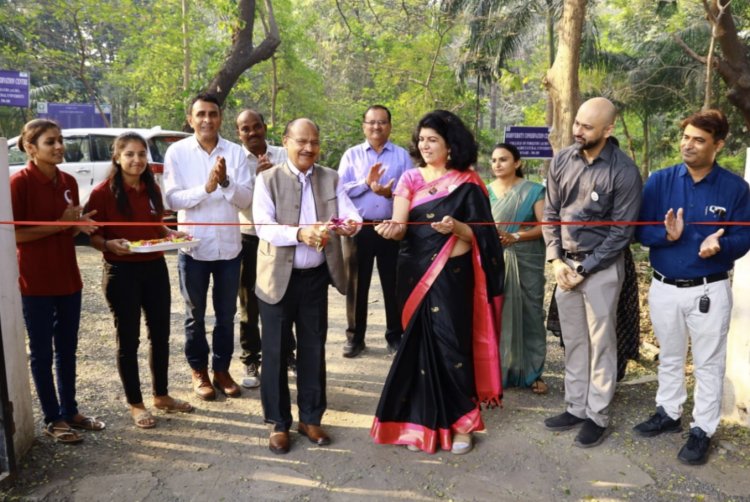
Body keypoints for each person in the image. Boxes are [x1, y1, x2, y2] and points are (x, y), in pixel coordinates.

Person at [371, 110, 504, 455]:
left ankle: (463, 424)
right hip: (415, 275)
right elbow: (401, 226)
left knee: (452, 346)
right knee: (416, 348)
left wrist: (456, 227)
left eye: (433, 140)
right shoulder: (410, 179)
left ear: (450, 145)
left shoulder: (468, 183)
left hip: (454, 277)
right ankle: (417, 423)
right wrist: (390, 230)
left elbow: (485, 236)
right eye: (422, 139)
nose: (425, 145)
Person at [633, 109, 750, 465]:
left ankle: (702, 430)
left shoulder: (735, 189)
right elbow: (641, 231)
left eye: (699, 140)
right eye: (686, 137)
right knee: (669, 356)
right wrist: (665, 236)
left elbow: (744, 236)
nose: (689, 144)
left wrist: (722, 246)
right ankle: (668, 414)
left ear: (718, 144)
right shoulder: (660, 181)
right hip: (664, 286)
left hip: (708, 289)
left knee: (708, 363)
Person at [253, 118, 361, 454]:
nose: (308, 148)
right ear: (285, 142)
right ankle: (278, 423)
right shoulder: (267, 179)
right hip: (276, 280)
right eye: (301, 141)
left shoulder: (331, 177)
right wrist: (300, 233)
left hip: (316, 279)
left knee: (313, 350)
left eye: (314, 142)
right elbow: (264, 227)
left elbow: (352, 216)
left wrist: (348, 227)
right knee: (274, 352)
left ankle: (311, 418)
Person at [541, 97, 642, 448]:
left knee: (601, 343)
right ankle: (575, 406)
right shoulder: (562, 160)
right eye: (577, 123)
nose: (577, 130)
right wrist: (556, 261)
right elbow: (551, 213)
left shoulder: (624, 171)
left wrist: (584, 267)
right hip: (564, 265)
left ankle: (597, 414)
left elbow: (622, 232)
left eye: (587, 126)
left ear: (607, 130)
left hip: (601, 268)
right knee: (574, 340)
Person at [86, 132, 195, 429]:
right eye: (130, 154)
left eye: (142, 154)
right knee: (128, 339)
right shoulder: (102, 193)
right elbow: (92, 234)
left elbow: (155, 225)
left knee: (160, 335)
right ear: (117, 157)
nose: (137, 160)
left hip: (154, 267)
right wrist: (108, 245)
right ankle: (136, 404)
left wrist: (169, 234)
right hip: (121, 272)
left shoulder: (151, 188)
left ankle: (161, 395)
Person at [10, 119, 104, 444]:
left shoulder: (67, 180)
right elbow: (17, 235)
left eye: (60, 140)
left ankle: (70, 411)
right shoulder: (18, 183)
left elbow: (66, 226)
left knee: (67, 348)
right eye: (51, 142)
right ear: (30, 148)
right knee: (41, 352)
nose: (59, 146)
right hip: (34, 281)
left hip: (68, 278)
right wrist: (61, 225)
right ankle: (53, 419)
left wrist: (78, 226)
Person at [163, 93, 252, 401]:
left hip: (229, 249)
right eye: (200, 114)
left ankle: (222, 369)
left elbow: (246, 199)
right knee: (194, 315)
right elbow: (171, 199)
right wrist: (207, 188)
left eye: (213, 114)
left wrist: (226, 182)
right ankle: (198, 370)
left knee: (226, 314)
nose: (207, 120)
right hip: (193, 248)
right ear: (190, 119)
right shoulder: (177, 152)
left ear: (220, 119)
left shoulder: (237, 154)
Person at [338, 105, 412, 358]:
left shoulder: (402, 156)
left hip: (392, 227)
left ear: (390, 126)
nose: (376, 127)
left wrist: (389, 193)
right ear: (364, 126)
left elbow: (411, 191)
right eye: (371, 122)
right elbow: (340, 190)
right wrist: (366, 184)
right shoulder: (352, 155)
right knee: (356, 284)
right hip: (360, 227)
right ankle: (355, 338)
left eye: (382, 122)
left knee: (394, 283)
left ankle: (395, 335)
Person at [234, 109, 291, 389]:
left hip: (280, 237)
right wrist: (259, 179)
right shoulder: (235, 159)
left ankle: (288, 355)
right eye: (246, 129)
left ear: (265, 127)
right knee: (249, 304)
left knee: (283, 297)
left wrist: (275, 178)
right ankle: (250, 358)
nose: (253, 133)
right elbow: (240, 201)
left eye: (257, 127)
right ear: (239, 133)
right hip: (248, 237)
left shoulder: (283, 154)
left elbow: (294, 192)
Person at [487, 142, 547, 393]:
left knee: (530, 313)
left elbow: (544, 227)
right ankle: (495, 372)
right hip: (493, 260)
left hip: (526, 259)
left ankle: (533, 372)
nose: (497, 164)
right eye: (493, 160)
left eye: (503, 159)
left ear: (517, 163)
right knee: (495, 313)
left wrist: (517, 237)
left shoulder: (534, 191)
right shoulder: (484, 191)